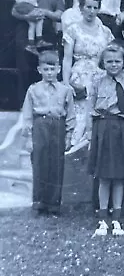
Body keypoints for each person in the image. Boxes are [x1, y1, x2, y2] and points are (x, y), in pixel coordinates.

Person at [88, 44, 124, 236]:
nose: (113, 65)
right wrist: (90, 136)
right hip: (103, 128)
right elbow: (90, 110)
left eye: (117, 61)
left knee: (119, 176)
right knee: (104, 176)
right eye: (109, 61)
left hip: (122, 129)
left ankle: (116, 217)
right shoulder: (97, 83)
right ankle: (102, 219)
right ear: (103, 63)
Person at [21, 50, 75, 216]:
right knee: (39, 164)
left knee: (56, 166)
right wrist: (29, 138)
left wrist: (68, 136)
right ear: (39, 70)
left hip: (57, 126)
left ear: (59, 69)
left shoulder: (65, 90)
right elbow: (28, 115)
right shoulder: (33, 90)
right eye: (46, 69)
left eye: (53, 69)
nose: (50, 73)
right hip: (40, 126)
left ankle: (53, 205)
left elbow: (70, 115)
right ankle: (39, 203)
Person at [62, 0, 114, 147]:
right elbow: (67, 58)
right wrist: (66, 83)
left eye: (95, 8)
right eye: (88, 7)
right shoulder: (73, 30)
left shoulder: (105, 31)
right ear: (81, 8)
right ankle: (73, 147)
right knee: (80, 114)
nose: (91, 11)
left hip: (100, 75)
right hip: (80, 74)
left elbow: (110, 57)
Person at [12, 0, 65, 102]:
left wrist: (45, 12)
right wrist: (28, 16)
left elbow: (60, 16)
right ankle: (23, 105)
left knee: (46, 67)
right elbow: (14, 11)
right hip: (26, 28)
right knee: (24, 67)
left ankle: (43, 104)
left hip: (46, 31)